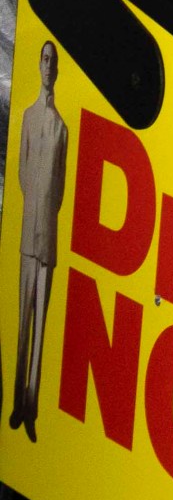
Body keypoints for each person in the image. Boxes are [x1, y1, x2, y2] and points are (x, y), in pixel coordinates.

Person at [12, 41, 58, 436]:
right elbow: (24, 173)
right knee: (22, 320)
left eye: (51, 61)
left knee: (41, 322)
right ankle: (15, 401)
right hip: (29, 231)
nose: (46, 67)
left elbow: (58, 189)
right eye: (42, 59)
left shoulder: (62, 127)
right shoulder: (27, 117)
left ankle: (32, 404)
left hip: (49, 237)